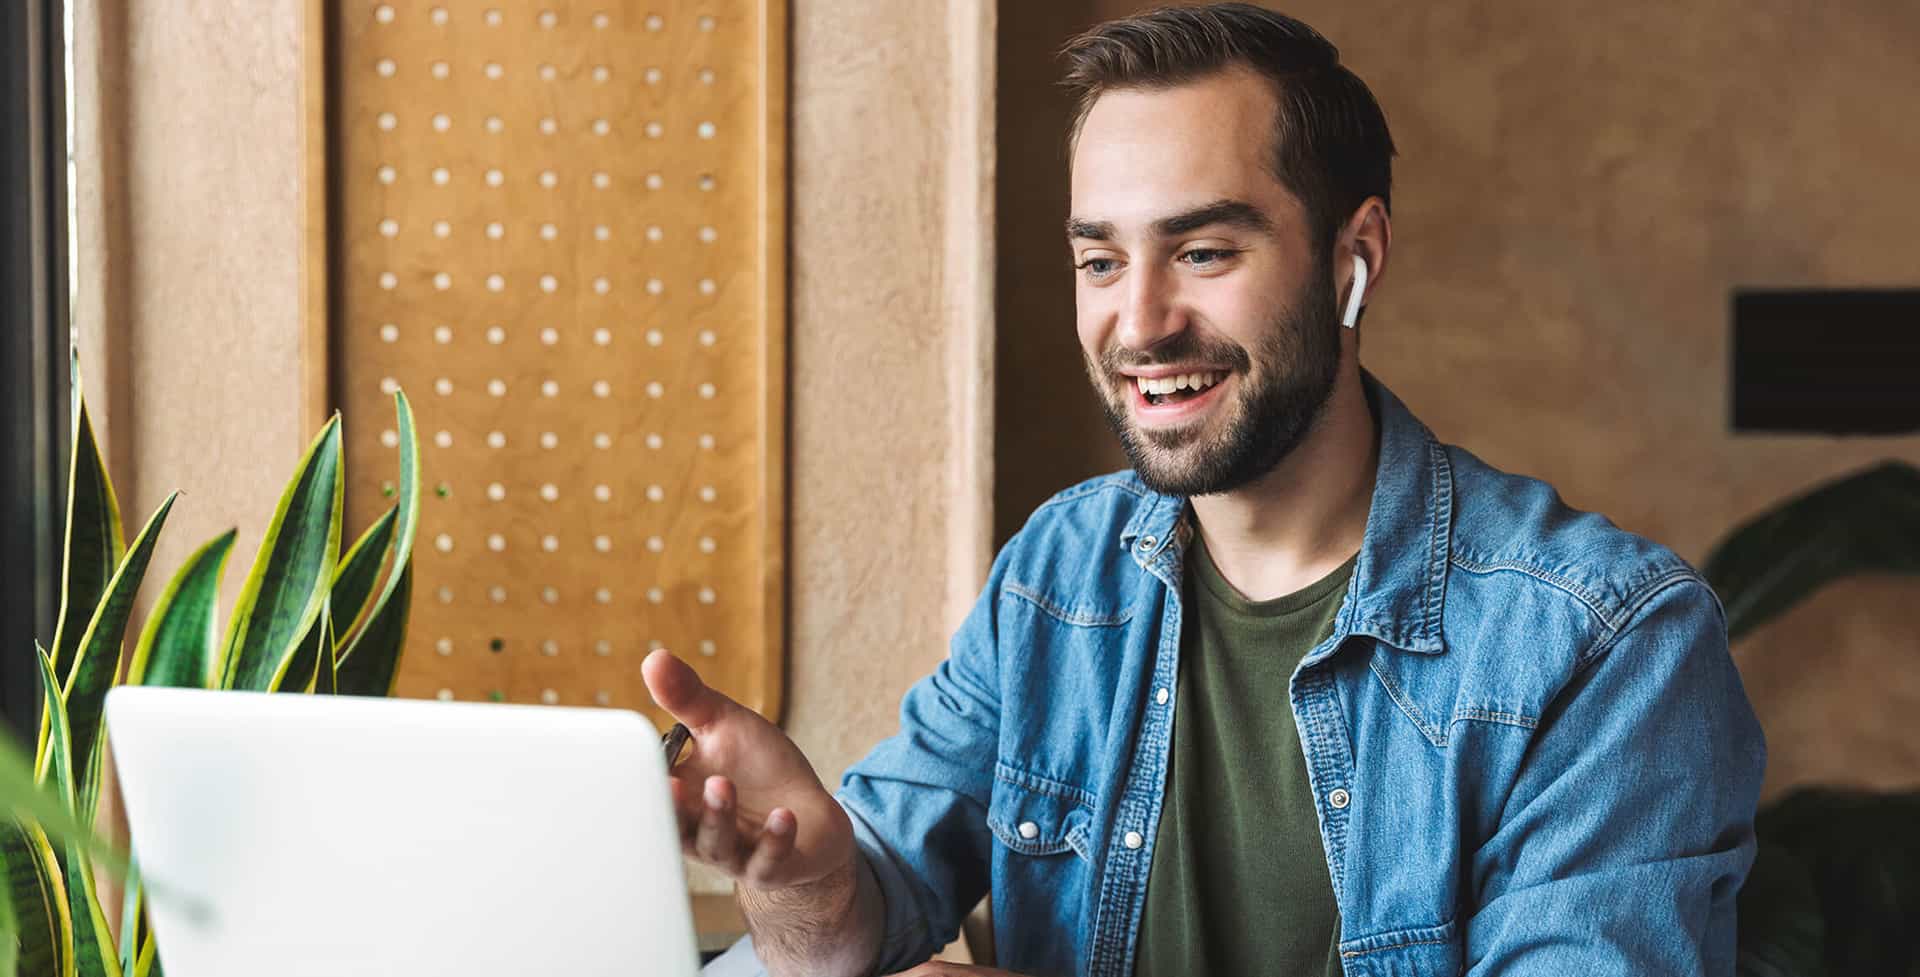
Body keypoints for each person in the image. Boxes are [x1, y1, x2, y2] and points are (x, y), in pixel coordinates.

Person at [641, 5, 1767, 976]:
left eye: (1204, 251)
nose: (1138, 324)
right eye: (1100, 260)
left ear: (1355, 257)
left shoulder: (1606, 644)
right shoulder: (1059, 573)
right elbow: (859, 912)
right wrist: (807, 878)